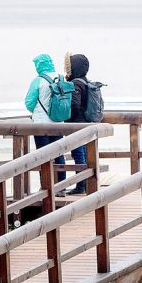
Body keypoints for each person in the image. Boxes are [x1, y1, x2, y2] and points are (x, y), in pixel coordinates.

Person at [24, 53, 67, 191]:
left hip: (41, 124)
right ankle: (61, 187)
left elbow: (29, 103)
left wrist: (36, 110)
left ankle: (45, 187)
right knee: (59, 154)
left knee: (43, 156)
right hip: (58, 122)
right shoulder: (60, 77)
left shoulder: (38, 80)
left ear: (39, 65)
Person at [65, 52, 91, 195]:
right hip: (86, 123)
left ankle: (81, 186)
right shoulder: (86, 81)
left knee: (78, 155)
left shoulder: (75, 84)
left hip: (77, 125)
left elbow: (75, 105)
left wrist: (67, 117)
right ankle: (86, 184)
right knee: (86, 154)